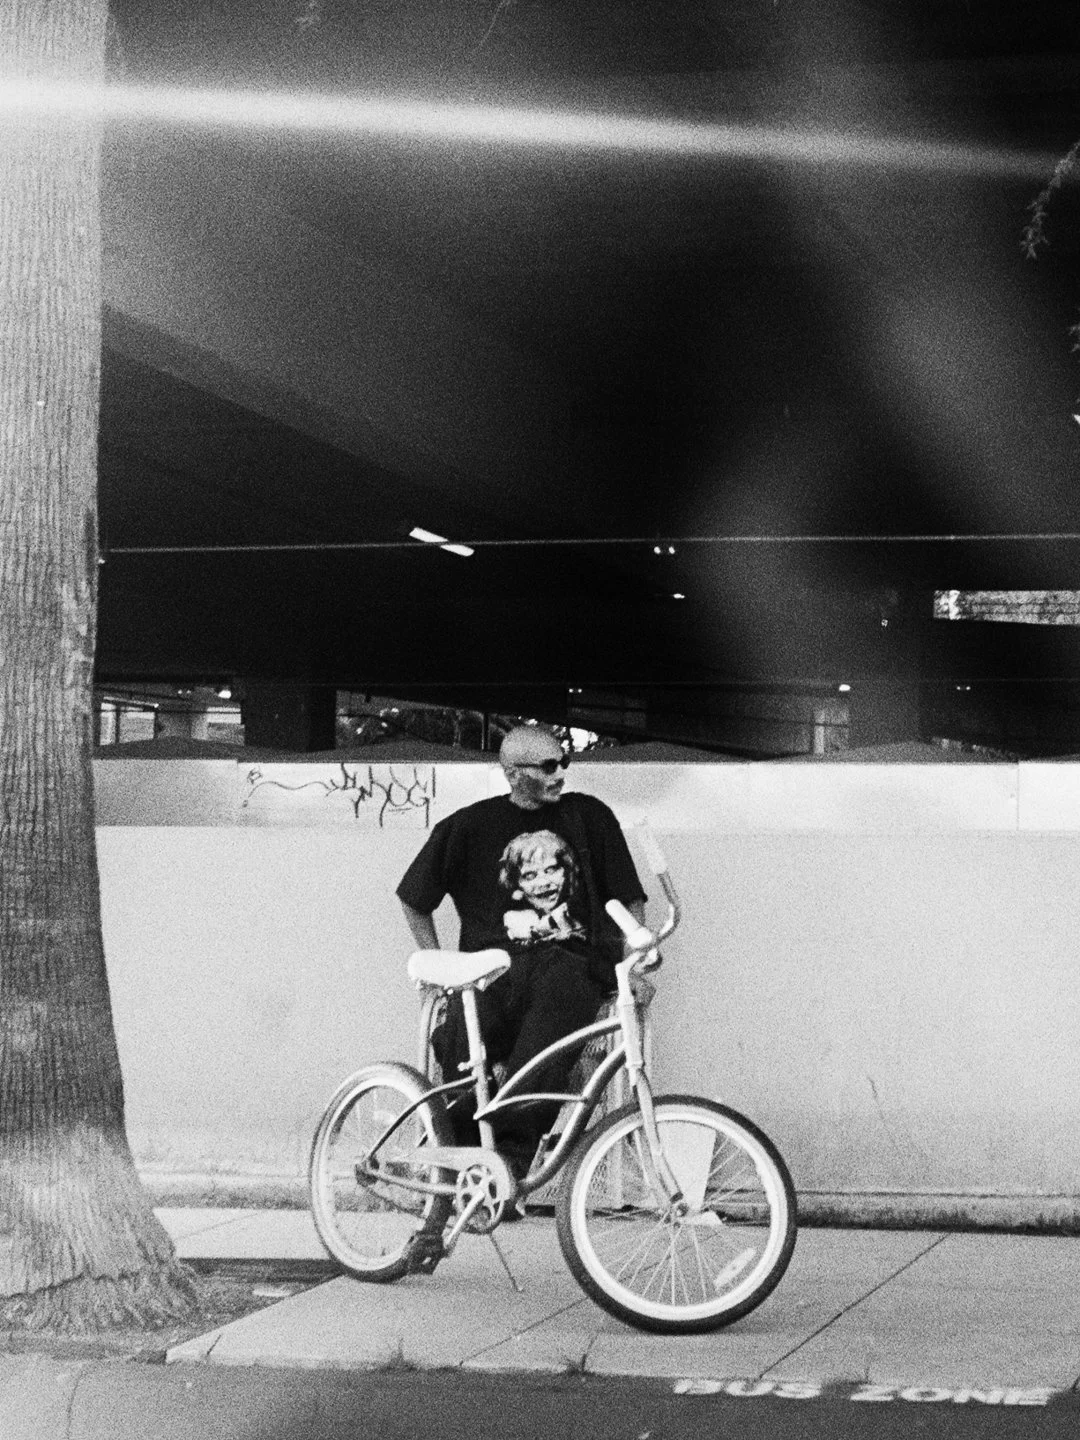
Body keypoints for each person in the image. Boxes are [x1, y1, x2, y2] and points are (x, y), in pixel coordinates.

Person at [397, 724, 647, 1180]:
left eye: (564, 764)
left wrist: (630, 963)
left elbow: (631, 902)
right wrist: (437, 968)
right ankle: (459, 1150)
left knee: (555, 1024)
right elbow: (415, 899)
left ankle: (506, 1161)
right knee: (461, 1042)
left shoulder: (589, 817)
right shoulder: (469, 826)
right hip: (491, 973)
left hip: (565, 968)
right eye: (549, 766)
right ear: (513, 774)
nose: (561, 775)